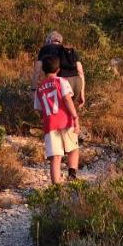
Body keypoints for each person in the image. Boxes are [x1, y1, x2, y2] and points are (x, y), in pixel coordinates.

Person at [34, 53, 81, 184]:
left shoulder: (39, 88)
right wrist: (75, 117)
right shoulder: (61, 81)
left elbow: (39, 108)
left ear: (43, 71)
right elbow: (67, 99)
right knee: (73, 148)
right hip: (66, 121)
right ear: (58, 69)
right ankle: (72, 175)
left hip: (50, 125)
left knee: (55, 157)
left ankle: (56, 186)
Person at [33, 30, 85, 109]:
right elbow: (80, 72)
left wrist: (33, 90)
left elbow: (37, 70)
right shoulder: (71, 50)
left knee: (57, 111)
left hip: (62, 83)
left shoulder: (45, 49)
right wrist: (82, 93)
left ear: (49, 41)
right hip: (77, 83)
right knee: (70, 110)